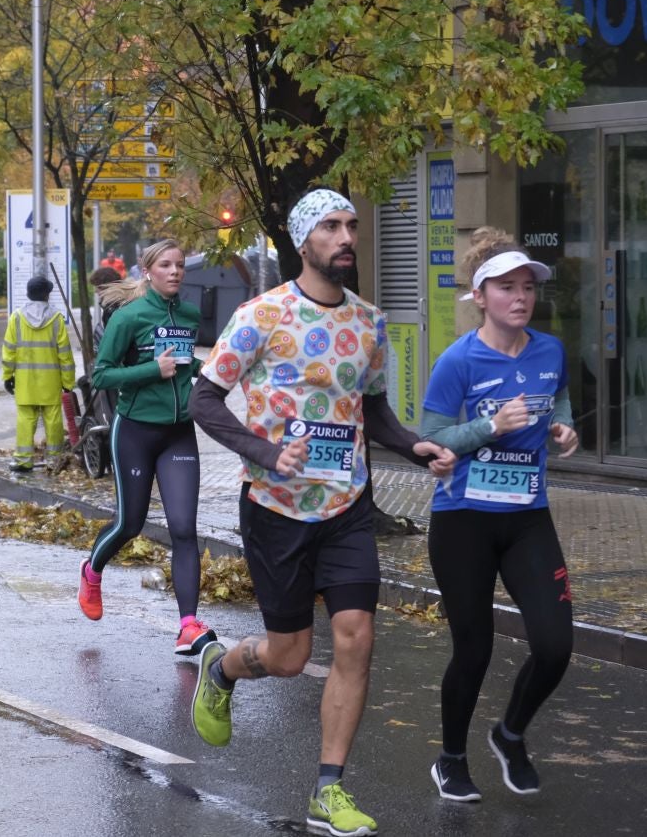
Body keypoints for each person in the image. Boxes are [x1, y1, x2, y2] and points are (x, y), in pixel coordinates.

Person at [188, 187, 454, 837]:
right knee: (286, 656)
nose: (345, 237)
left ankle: (328, 790)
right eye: (331, 227)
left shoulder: (369, 322)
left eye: (351, 226)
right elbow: (204, 400)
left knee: (356, 637)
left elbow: (374, 412)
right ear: (304, 240)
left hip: (346, 506)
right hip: (276, 510)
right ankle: (221, 667)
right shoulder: (262, 314)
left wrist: (417, 446)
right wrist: (265, 452)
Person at [419, 227, 579, 803]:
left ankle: (509, 734)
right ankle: (452, 759)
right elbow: (430, 439)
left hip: (527, 517)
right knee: (475, 647)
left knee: (556, 644)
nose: (521, 297)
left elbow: (556, 397)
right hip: (463, 519)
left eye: (528, 287)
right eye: (507, 287)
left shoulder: (549, 349)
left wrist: (563, 427)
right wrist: (491, 426)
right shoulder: (457, 361)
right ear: (480, 297)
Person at [77, 239, 215, 655]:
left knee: (184, 530)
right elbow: (100, 376)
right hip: (134, 431)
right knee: (130, 524)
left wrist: (208, 376)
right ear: (148, 270)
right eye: (166, 266)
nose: (175, 272)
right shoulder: (129, 317)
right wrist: (152, 369)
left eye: (179, 266)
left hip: (178, 432)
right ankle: (92, 570)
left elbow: (187, 365)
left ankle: (188, 625)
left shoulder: (190, 316)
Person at [1, 275, 74, 472]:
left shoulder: (16, 317)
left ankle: (23, 460)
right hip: (50, 382)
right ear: (47, 295)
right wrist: (68, 381)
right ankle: (54, 460)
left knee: (26, 420)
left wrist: (7, 376)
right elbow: (65, 354)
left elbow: (9, 351)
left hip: (25, 382)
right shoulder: (57, 318)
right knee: (53, 420)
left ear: (27, 293)